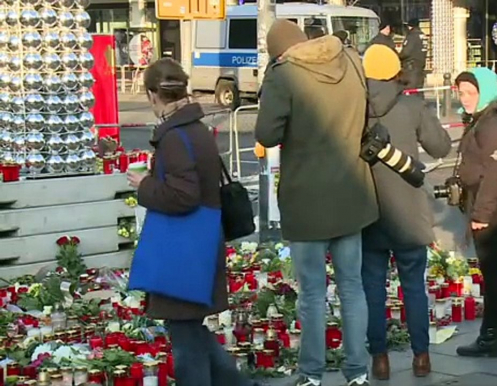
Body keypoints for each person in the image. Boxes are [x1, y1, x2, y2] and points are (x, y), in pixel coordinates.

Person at [255, 20, 378, 386]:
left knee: (311, 291)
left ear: (279, 51)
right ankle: (357, 371)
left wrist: (270, 81)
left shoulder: (285, 74)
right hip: (352, 191)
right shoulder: (350, 59)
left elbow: (266, 133)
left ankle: (312, 373)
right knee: (352, 286)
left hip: (307, 198)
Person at [126, 58, 256, 386]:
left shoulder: (174, 135)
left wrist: (144, 186)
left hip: (182, 250)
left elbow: (184, 196)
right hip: (200, 240)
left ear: (154, 94)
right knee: (191, 330)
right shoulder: (194, 128)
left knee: (185, 337)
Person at [360, 44, 452, 381]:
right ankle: (422, 357)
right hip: (410, 212)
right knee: (413, 286)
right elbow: (441, 147)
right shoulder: (412, 105)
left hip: (368, 210)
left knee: (372, 288)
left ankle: (379, 360)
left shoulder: (354, 107)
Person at [452, 67, 497, 358]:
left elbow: (496, 174)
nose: (465, 98)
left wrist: (481, 214)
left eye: (471, 92)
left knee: (492, 272)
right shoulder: (483, 119)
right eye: (461, 92)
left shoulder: (494, 126)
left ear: (486, 92)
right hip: (494, 205)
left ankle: (490, 336)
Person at [399, 18, 426, 90]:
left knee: (410, 92)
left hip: (411, 68)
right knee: (419, 90)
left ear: (410, 26)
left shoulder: (412, 36)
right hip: (420, 67)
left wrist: (398, 56)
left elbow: (406, 52)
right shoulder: (422, 35)